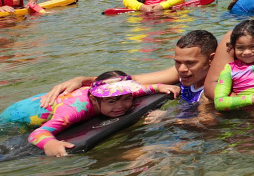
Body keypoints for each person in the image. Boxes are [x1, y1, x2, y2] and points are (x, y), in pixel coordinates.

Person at [37, 30, 219, 116]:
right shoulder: (181, 73)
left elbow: (208, 122)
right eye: (177, 62)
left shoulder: (212, 88)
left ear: (211, 59)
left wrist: (168, 118)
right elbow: (133, 80)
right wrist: (83, 80)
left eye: (190, 63)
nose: (181, 69)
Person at [29, 73, 179, 157]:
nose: (120, 106)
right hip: (30, 112)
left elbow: (141, 90)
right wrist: (50, 143)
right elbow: (38, 133)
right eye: (112, 101)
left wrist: (161, 87)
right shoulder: (72, 112)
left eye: (126, 99)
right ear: (94, 100)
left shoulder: (119, 94)